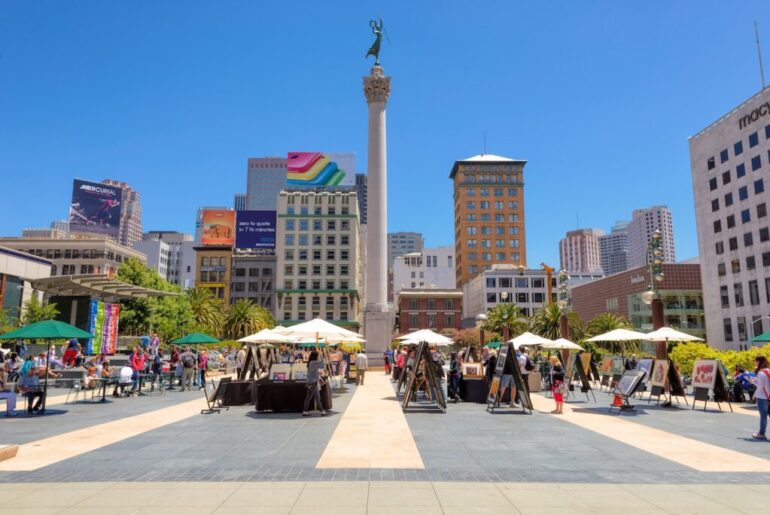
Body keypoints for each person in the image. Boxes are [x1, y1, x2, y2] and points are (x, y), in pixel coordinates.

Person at [751, 355, 770, 440]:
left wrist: (753, 382)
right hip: (768, 396)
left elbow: (760, 386)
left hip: (762, 397)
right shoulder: (768, 370)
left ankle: (762, 433)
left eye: (755, 360)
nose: (754, 362)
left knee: (763, 416)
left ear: (759, 361)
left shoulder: (761, 372)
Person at [303, 350, 326, 417]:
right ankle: (322, 411)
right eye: (317, 356)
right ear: (315, 356)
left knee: (308, 398)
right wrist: (321, 354)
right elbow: (322, 364)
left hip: (309, 382)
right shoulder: (313, 362)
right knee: (318, 398)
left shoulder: (310, 362)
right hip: (313, 383)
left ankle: (305, 411)